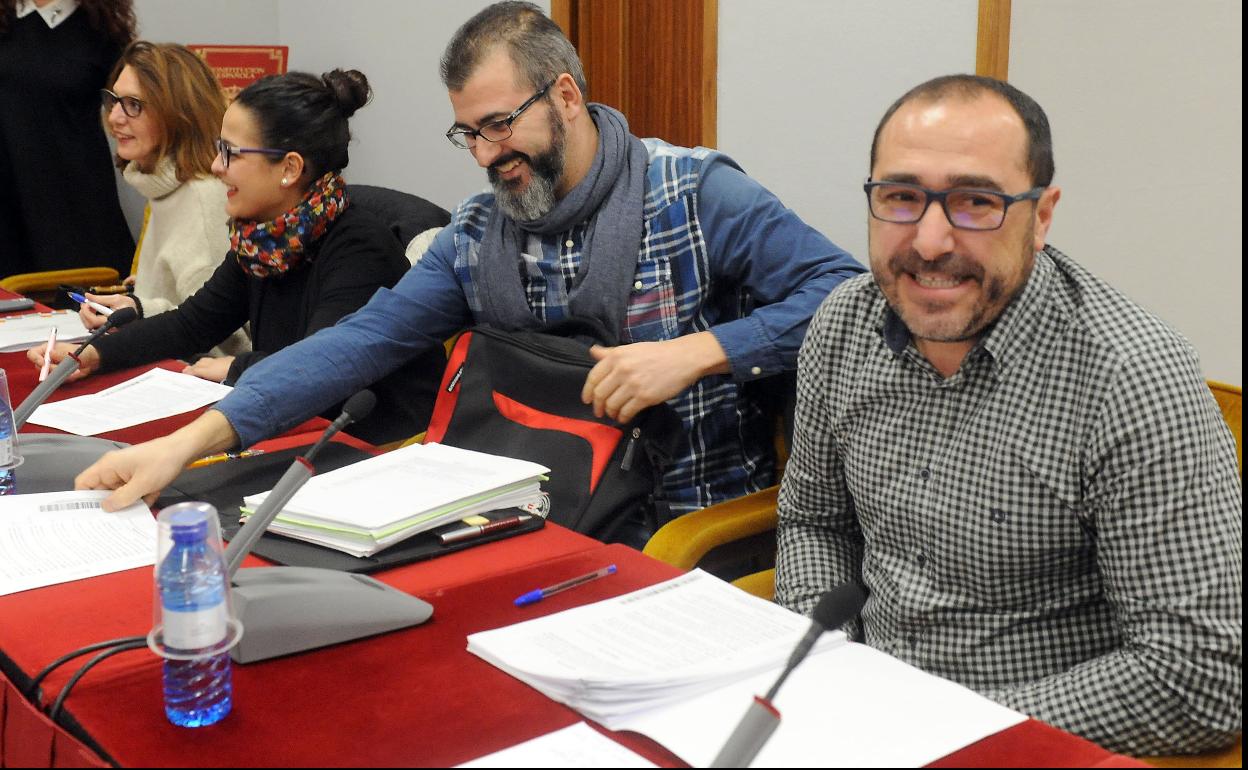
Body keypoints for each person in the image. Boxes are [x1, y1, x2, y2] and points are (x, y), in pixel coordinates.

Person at [73, 1, 863, 537]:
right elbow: (361, 341)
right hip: (526, 511)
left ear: (565, 96)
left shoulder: (695, 193)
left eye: (498, 125)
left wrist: (703, 350)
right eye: (467, 134)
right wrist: (187, 443)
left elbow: (847, 294)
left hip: (678, 529)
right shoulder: (482, 230)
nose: (486, 155)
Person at [774, 74, 1241, 755]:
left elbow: (1201, 671)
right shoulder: (843, 326)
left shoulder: (1129, 376)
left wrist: (947, 730)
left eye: (975, 202)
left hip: (1028, 748)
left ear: (1042, 215)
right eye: (902, 197)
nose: (930, 241)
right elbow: (815, 523)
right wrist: (829, 667)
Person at [30, 68, 442, 444]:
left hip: (372, 445)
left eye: (230, 153)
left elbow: (323, 367)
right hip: (294, 423)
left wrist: (237, 369)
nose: (215, 166)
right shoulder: (264, 238)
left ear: (290, 168)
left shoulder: (358, 246)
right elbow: (190, 325)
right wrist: (94, 354)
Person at [75, 40, 249, 357]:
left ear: (178, 115)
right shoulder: (162, 186)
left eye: (134, 105)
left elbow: (224, 339)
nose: (114, 118)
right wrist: (128, 302)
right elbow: (178, 298)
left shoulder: (203, 196)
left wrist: (139, 310)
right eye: (113, 101)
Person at [0, 0, 136, 278]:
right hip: (6, 202)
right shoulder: (6, 19)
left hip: (73, 204)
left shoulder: (104, 29)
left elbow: (134, 111)